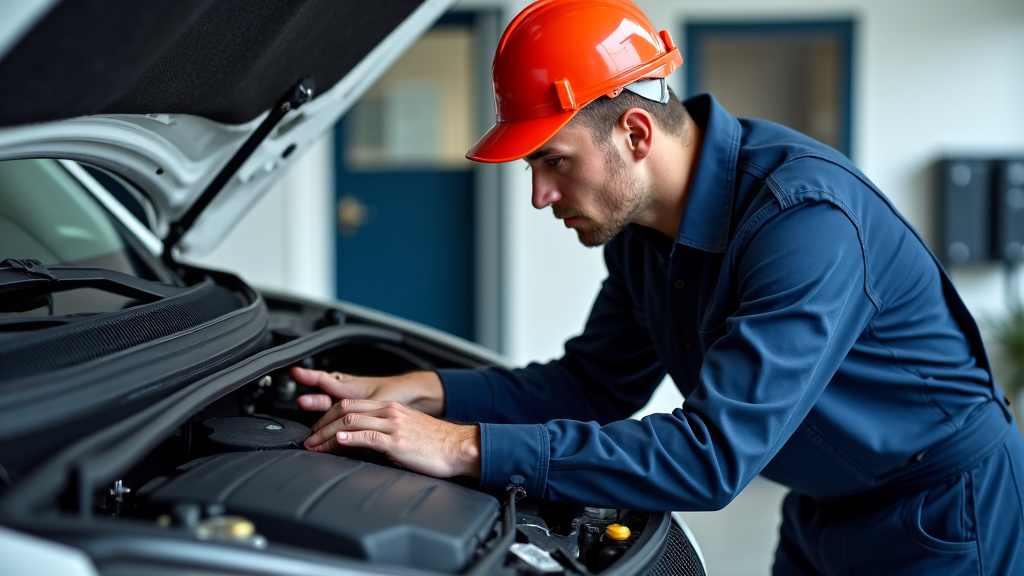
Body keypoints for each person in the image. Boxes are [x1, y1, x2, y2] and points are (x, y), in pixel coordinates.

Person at [291, 0, 1024, 573]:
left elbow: (711, 456)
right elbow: (592, 386)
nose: (541, 196)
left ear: (636, 134)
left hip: (946, 516)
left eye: (554, 161)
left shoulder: (803, 224)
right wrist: (428, 391)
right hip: (823, 509)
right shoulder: (645, 235)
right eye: (529, 171)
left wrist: (462, 447)